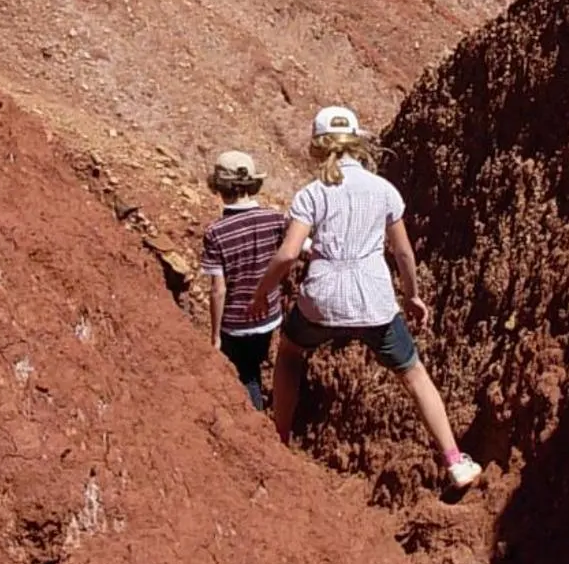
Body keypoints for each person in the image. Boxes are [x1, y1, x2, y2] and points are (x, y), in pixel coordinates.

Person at [246, 105, 481, 492]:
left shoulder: (312, 193)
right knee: (413, 372)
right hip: (375, 302)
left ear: (319, 147)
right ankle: (455, 461)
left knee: (290, 352)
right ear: (358, 143)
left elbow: (288, 254)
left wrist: (261, 293)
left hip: (322, 301)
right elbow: (404, 253)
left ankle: (280, 440)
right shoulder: (384, 190)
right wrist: (413, 296)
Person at [200, 149, 289, 413]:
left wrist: (215, 335)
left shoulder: (216, 233)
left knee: (244, 376)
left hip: (235, 325)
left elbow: (218, 290)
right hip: (269, 317)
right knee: (254, 368)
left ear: (219, 187)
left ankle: (255, 422)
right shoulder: (275, 219)